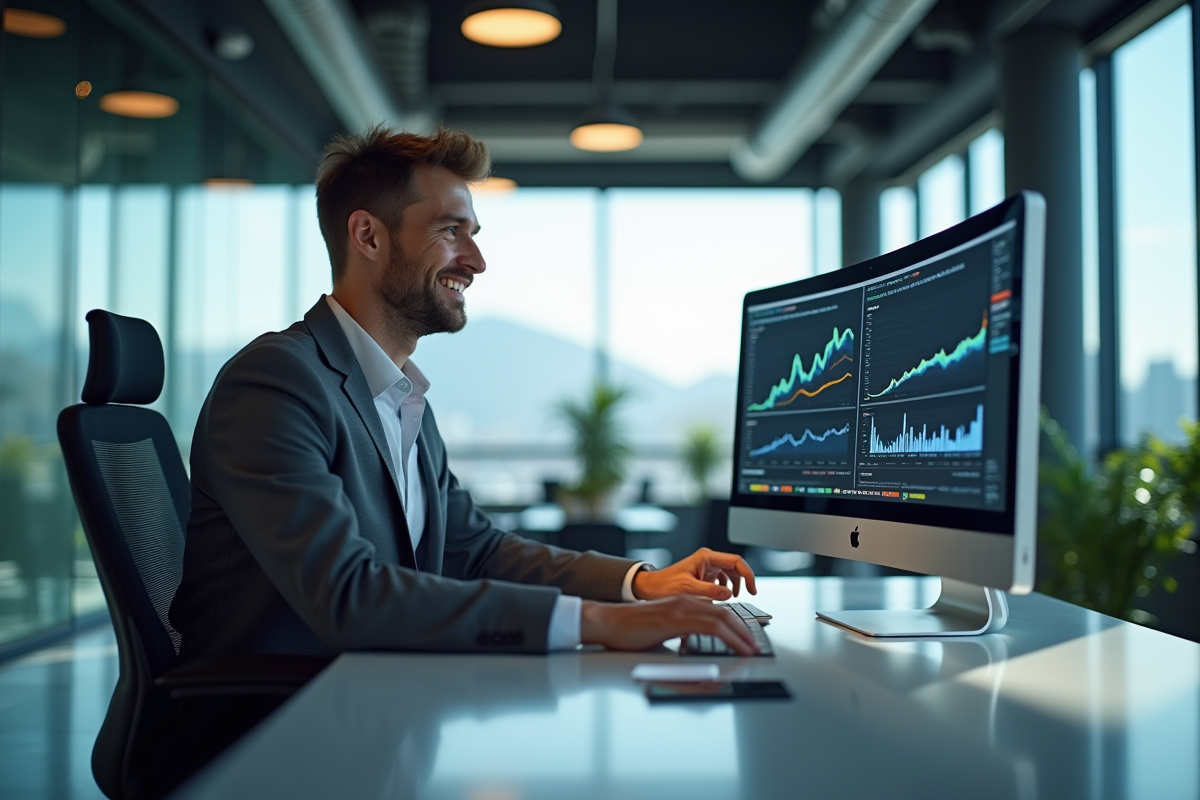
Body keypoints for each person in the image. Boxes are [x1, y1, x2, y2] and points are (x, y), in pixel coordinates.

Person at [169, 125, 759, 660]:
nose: (476, 261)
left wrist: (640, 584)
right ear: (368, 236)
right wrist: (598, 622)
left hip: (374, 700)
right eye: (451, 231)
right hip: (276, 721)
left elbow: (475, 550)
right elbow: (347, 595)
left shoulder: (403, 400)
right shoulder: (277, 382)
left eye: (472, 234)